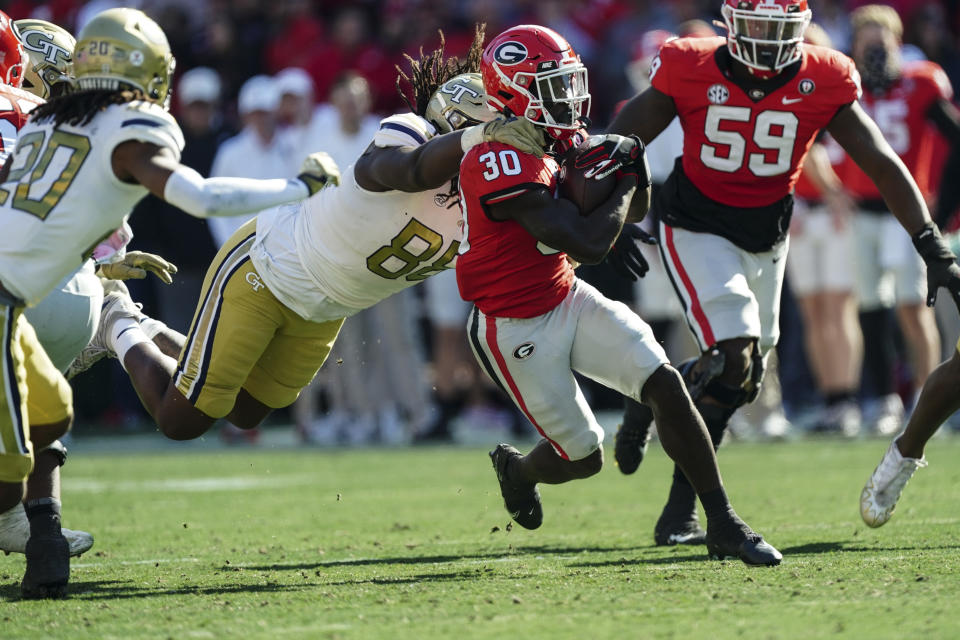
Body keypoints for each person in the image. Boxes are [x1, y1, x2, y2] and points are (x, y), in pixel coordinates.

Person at [0, 7, 339, 599]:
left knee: (43, 416)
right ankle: (29, 527)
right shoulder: (95, 123)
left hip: (23, 300)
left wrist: (94, 260)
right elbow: (200, 194)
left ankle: (30, 529)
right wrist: (298, 188)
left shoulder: (42, 124)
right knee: (28, 438)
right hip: (27, 301)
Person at [608, 0, 960, 548]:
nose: (770, 43)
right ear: (732, 25)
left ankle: (653, 402)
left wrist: (931, 246)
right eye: (758, 28)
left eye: (781, 30)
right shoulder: (689, 63)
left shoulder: (823, 74)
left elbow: (880, 160)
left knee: (741, 380)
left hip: (767, 236)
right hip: (696, 226)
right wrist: (612, 212)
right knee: (733, 355)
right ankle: (689, 512)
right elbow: (619, 143)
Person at [84, 30, 546, 444]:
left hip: (325, 309)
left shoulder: (487, 195)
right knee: (181, 422)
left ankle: (153, 333)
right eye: (493, 134)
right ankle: (118, 322)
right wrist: (476, 139)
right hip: (267, 269)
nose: (500, 148)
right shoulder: (409, 132)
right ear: (463, 125)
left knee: (246, 410)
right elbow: (400, 168)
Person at [458, 24, 780, 566]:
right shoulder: (495, 158)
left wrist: (631, 179)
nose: (571, 97)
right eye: (553, 85)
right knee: (583, 458)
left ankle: (723, 521)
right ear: (514, 92)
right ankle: (519, 470)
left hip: (564, 294)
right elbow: (586, 238)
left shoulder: (559, 142)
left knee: (664, 381)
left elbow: (629, 210)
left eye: (570, 83)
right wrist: (626, 179)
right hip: (511, 324)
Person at [841, 5, 960, 433]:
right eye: (865, 40)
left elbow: (956, 140)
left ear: (897, 43)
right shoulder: (844, 84)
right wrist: (833, 193)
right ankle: (883, 401)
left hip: (905, 215)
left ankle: (928, 402)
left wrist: (940, 211)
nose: (873, 49)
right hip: (860, 211)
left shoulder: (919, 82)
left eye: (881, 39)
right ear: (853, 45)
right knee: (870, 309)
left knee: (913, 307)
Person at [207, 74, 298, 248]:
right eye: (255, 113)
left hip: (288, 247)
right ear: (245, 115)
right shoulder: (230, 152)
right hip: (243, 247)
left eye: (265, 112)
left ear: (275, 111)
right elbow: (215, 203)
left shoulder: (293, 145)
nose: (261, 119)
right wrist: (232, 245)